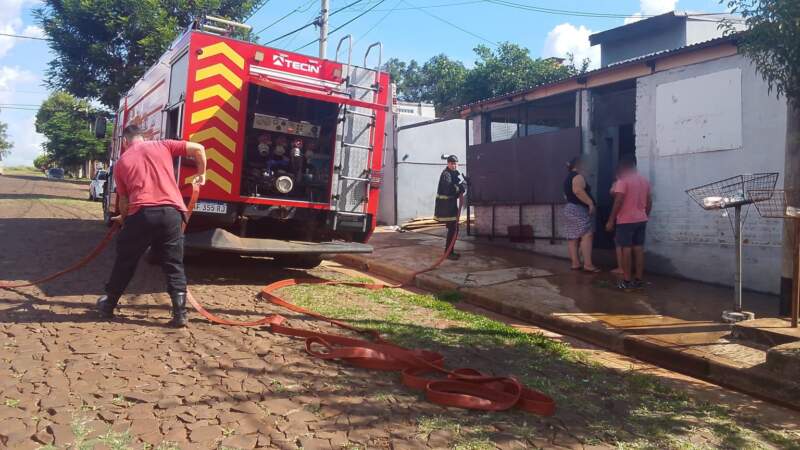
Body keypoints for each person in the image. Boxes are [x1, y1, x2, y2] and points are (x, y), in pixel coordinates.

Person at [95, 125, 207, 327]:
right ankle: (180, 313)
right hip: (172, 213)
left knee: (126, 260)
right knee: (173, 263)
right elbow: (199, 148)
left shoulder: (121, 163)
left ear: (126, 142)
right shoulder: (163, 144)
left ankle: (108, 304)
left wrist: (123, 217)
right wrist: (202, 173)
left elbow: (124, 199)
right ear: (143, 137)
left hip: (142, 214)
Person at [606, 155, 652, 290]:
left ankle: (626, 281)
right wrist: (646, 215)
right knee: (638, 249)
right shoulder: (644, 181)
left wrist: (610, 220)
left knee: (626, 249)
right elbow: (649, 201)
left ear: (623, 168)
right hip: (641, 219)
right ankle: (638, 280)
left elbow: (618, 201)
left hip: (626, 220)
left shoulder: (622, 181)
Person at [563, 156, 600, 272]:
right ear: (579, 166)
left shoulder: (567, 179)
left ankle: (575, 264)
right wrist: (590, 203)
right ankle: (588, 265)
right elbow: (578, 191)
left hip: (569, 208)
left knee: (573, 237)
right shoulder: (578, 176)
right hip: (579, 209)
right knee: (587, 235)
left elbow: (566, 195)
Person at [434, 155, 466, 260]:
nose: (454, 165)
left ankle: (449, 252)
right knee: (453, 229)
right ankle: (448, 253)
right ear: (448, 164)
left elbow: (458, 189)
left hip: (451, 206)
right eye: (452, 163)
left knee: (453, 229)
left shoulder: (454, 174)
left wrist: (464, 184)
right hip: (446, 207)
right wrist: (461, 187)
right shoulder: (446, 174)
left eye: (455, 163)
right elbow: (450, 189)